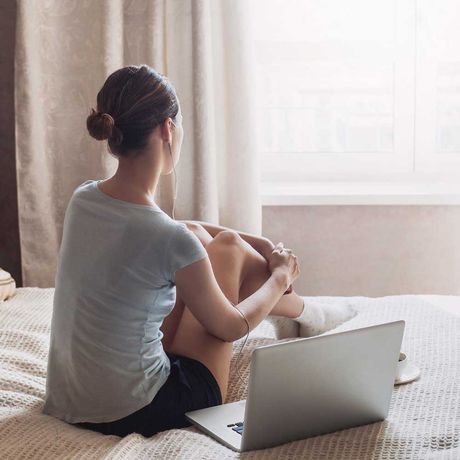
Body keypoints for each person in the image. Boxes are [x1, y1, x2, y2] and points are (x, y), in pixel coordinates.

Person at [42, 64, 357, 437]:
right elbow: (231, 326)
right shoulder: (165, 238)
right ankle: (306, 313)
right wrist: (280, 275)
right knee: (226, 248)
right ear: (167, 129)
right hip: (141, 408)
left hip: (71, 401)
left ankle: (303, 314)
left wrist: (262, 244)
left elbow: (179, 231)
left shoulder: (84, 198)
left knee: (207, 238)